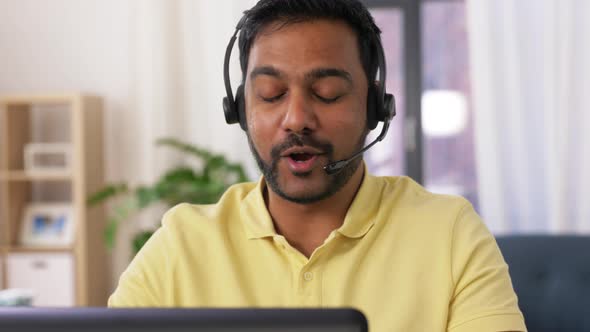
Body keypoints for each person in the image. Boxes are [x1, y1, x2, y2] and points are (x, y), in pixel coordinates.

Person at [109, 1, 526, 331]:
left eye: (326, 93)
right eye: (271, 94)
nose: (296, 118)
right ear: (239, 107)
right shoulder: (181, 244)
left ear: (374, 106)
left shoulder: (450, 234)